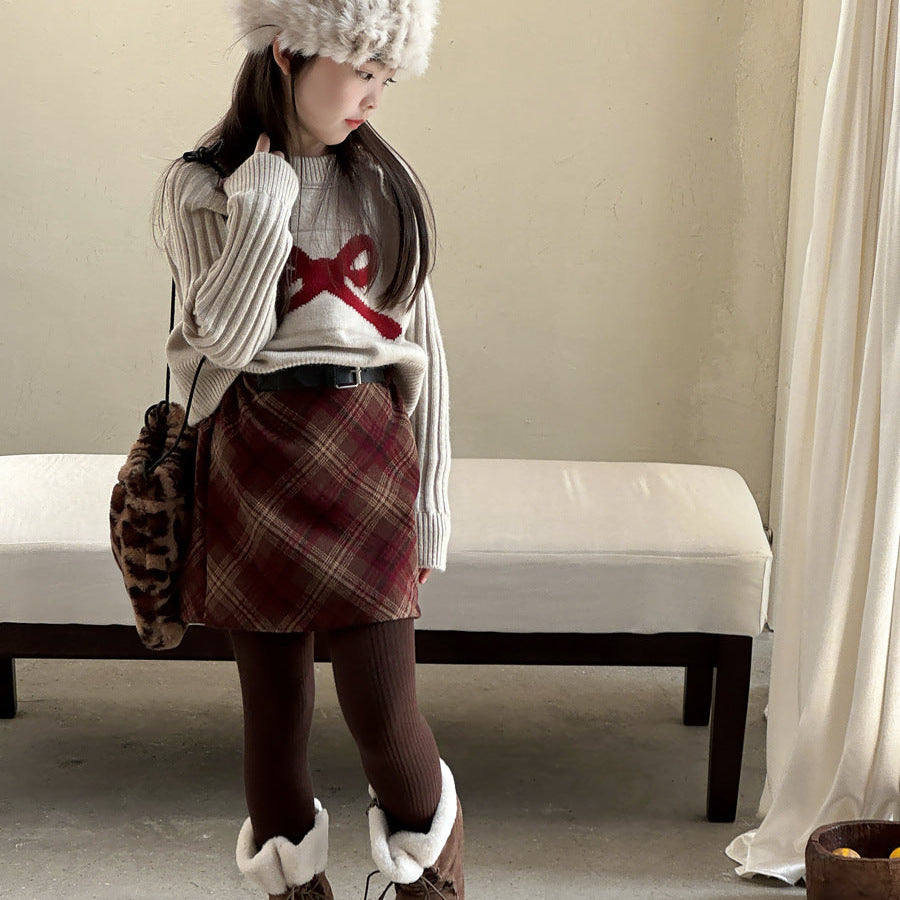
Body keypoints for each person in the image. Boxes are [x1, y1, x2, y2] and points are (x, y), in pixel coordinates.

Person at [151, 1, 462, 898]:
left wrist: (431, 511)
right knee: (275, 717)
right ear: (289, 51)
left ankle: (437, 885)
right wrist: (263, 209)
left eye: (386, 78)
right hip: (251, 452)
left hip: (368, 451)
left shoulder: (386, 184)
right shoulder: (200, 185)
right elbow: (225, 341)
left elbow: (424, 354)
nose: (374, 97)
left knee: (387, 717)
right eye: (361, 71)